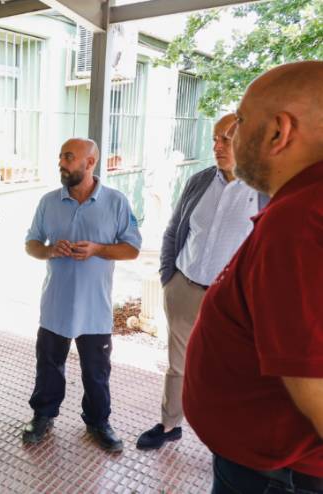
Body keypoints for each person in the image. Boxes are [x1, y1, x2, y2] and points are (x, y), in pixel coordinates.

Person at [184, 61, 323, 493]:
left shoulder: (300, 220)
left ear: (279, 132)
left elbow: (313, 380)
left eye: (240, 122)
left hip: (276, 473)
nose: (230, 138)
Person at [136, 114, 267, 450]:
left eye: (226, 139)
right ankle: (169, 425)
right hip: (184, 287)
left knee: (230, 371)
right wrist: (169, 278)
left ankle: (227, 440)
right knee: (177, 365)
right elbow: (173, 230)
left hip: (230, 301)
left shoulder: (263, 190)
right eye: (214, 139)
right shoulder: (199, 181)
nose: (217, 146)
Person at [21, 138, 141, 453]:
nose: (61, 163)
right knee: (48, 366)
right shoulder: (48, 202)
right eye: (61, 157)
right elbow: (31, 243)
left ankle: (98, 421)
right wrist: (49, 250)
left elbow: (132, 248)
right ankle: (43, 415)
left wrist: (98, 249)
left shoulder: (116, 202)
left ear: (90, 163)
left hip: (95, 308)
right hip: (55, 305)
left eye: (69, 157)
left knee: (97, 372)